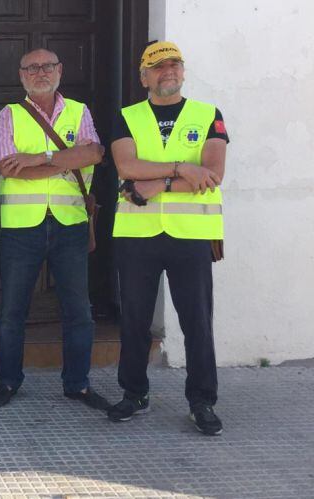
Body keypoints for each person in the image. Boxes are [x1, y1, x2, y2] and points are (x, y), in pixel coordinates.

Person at [107, 41, 230, 436]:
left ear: (183, 71)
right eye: (158, 66)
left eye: (174, 64)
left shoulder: (209, 115)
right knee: (134, 321)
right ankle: (134, 393)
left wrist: (156, 183)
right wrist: (178, 171)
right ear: (144, 77)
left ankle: (202, 401)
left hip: (191, 236)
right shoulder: (126, 117)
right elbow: (127, 165)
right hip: (137, 234)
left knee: (197, 322)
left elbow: (211, 173)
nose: (168, 71)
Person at [0, 48, 110, 410]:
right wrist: (68, 158)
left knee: (78, 310)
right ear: (21, 75)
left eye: (47, 66)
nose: (41, 72)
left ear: (60, 70)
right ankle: (9, 380)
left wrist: (40, 158)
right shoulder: (8, 115)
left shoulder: (79, 111)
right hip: (22, 228)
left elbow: (95, 154)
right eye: (32, 67)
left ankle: (77, 384)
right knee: (12, 310)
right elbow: (10, 167)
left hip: (70, 223)